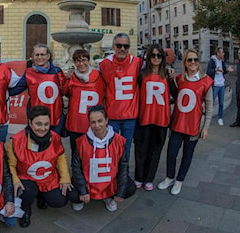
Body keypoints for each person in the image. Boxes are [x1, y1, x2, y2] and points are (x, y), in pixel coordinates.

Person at [6, 106, 75, 227]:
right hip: (26, 177)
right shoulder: (15, 141)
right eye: (38, 124)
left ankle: (42, 195)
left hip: (48, 177)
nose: (42, 128)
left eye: (46, 124)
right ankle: (26, 210)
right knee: (26, 192)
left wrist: (65, 178)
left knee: (60, 201)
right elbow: (10, 165)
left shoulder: (54, 137)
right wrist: (15, 181)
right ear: (30, 123)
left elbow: (60, 157)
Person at [158, 49, 213, 195]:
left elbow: (209, 106)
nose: (193, 62)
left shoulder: (206, 81)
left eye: (195, 59)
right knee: (171, 153)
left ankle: (179, 180)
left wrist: (206, 127)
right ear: (185, 63)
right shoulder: (179, 79)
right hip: (178, 123)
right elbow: (174, 96)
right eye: (190, 60)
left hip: (194, 125)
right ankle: (170, 177)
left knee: (187, 155)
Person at [71, 105, 136, 212]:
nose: (97, 125)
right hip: (89, 183)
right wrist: (83, 190)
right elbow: (76, 167)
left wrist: (120, 191)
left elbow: (123, 166)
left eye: (100, 121)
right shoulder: (81, 142)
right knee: (70, 193)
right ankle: (81, 199)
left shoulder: (119, 141)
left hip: (109, 183)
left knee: (129, 188)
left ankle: (109, 197)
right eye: (93, 122)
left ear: (106, 120)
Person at [134, 44, 177, 191]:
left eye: (159, 55)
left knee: (155, 150)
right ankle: (139, 176)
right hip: (144, 118)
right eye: (153, 55)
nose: (156, 58)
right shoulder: (141, 74)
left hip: (161, 120)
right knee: (141, 149)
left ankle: (149, 178)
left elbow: (176, 94)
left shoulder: (167, 75)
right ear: (148, 57)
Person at [98, 33, 142, 167]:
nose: (122, 49)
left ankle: (123, 173)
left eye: (126, 46)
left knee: (126, 148)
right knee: (110, 147)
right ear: (113, 46)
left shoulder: (137, 62)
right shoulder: (105, 64)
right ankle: (111, 173)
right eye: (119, 45)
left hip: (130, 116)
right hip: (112, 116)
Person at [10, 44, 68, 135]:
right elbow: (17, 89)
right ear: (33, 56)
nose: (39, 57)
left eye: (42, 54)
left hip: (55, 117)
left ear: (48, 56)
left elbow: (65, 91)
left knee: (53, 145)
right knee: (35, 146)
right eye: (37, 55)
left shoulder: (57, 71)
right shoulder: (29, 73)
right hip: (35, 117)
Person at [65, 49, 105, 152]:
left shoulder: (99, 76)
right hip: (75, 123)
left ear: (88, 61)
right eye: (78, 61)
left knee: (92, 154)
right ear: (74, 63)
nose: (81, 63)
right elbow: (65, 92)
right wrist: (66, 79)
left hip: (93, 123)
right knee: (76, 153)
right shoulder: (71, 77)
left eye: (84, 60)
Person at [206, 47, 234, 126]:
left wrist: (228, 70)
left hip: (221, 84)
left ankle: (220, 118)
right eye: (222, 52)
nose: (223, 54)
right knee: (211, 102)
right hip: (215, 85)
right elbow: (208, 72)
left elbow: (223, 71)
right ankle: (208, 118)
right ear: (218, 53)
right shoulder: (212, 61)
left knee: (221, 103)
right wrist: (215, 70)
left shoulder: (222, 61)